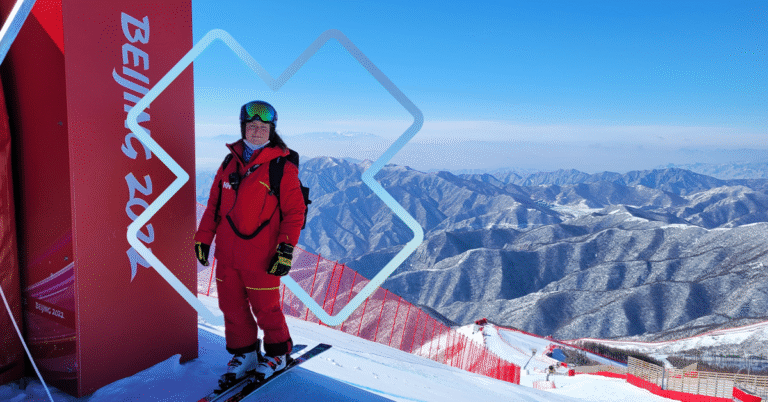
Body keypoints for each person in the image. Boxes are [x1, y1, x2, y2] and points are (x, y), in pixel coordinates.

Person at [194, 100, 306, 381]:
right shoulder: (229, 162)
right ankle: (244, 352)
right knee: (231, 306)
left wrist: (285, 248)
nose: (257, 131)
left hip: (261, 254)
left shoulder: (281, 166)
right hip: (228, 253)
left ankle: (278, 353)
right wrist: (204, 238)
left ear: (272, 130)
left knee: (266, 307)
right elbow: (214, 206)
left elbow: (295, 212)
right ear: (244, 127)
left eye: (263, 126)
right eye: (252, 125)